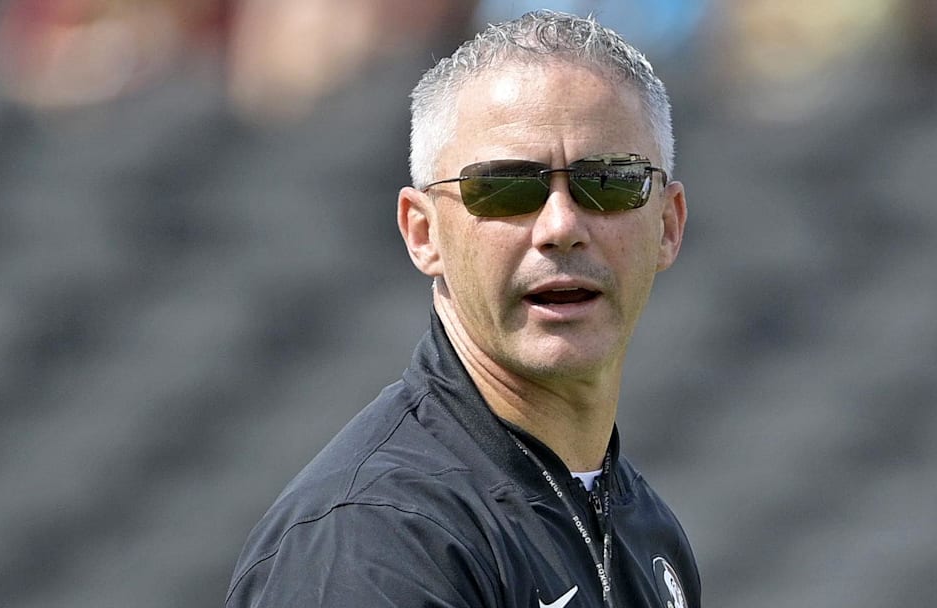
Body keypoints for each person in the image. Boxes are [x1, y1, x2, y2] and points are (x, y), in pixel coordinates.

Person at [226, 10, 699, 607]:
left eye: (608, 182)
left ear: (669, 225)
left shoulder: (645, 529)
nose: (561, 227)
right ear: (422, 233)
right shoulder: (374, 541)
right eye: (504, 187)